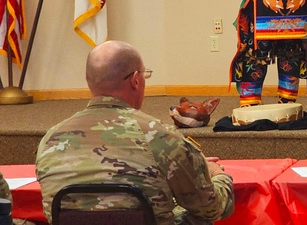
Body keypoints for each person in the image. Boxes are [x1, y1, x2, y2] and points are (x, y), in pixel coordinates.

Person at [35, 41, 234, 225]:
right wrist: (216, 174)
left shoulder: (50, 140)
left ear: (88, 81)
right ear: (135, 81)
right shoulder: (162, 137)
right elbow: (209, 209)